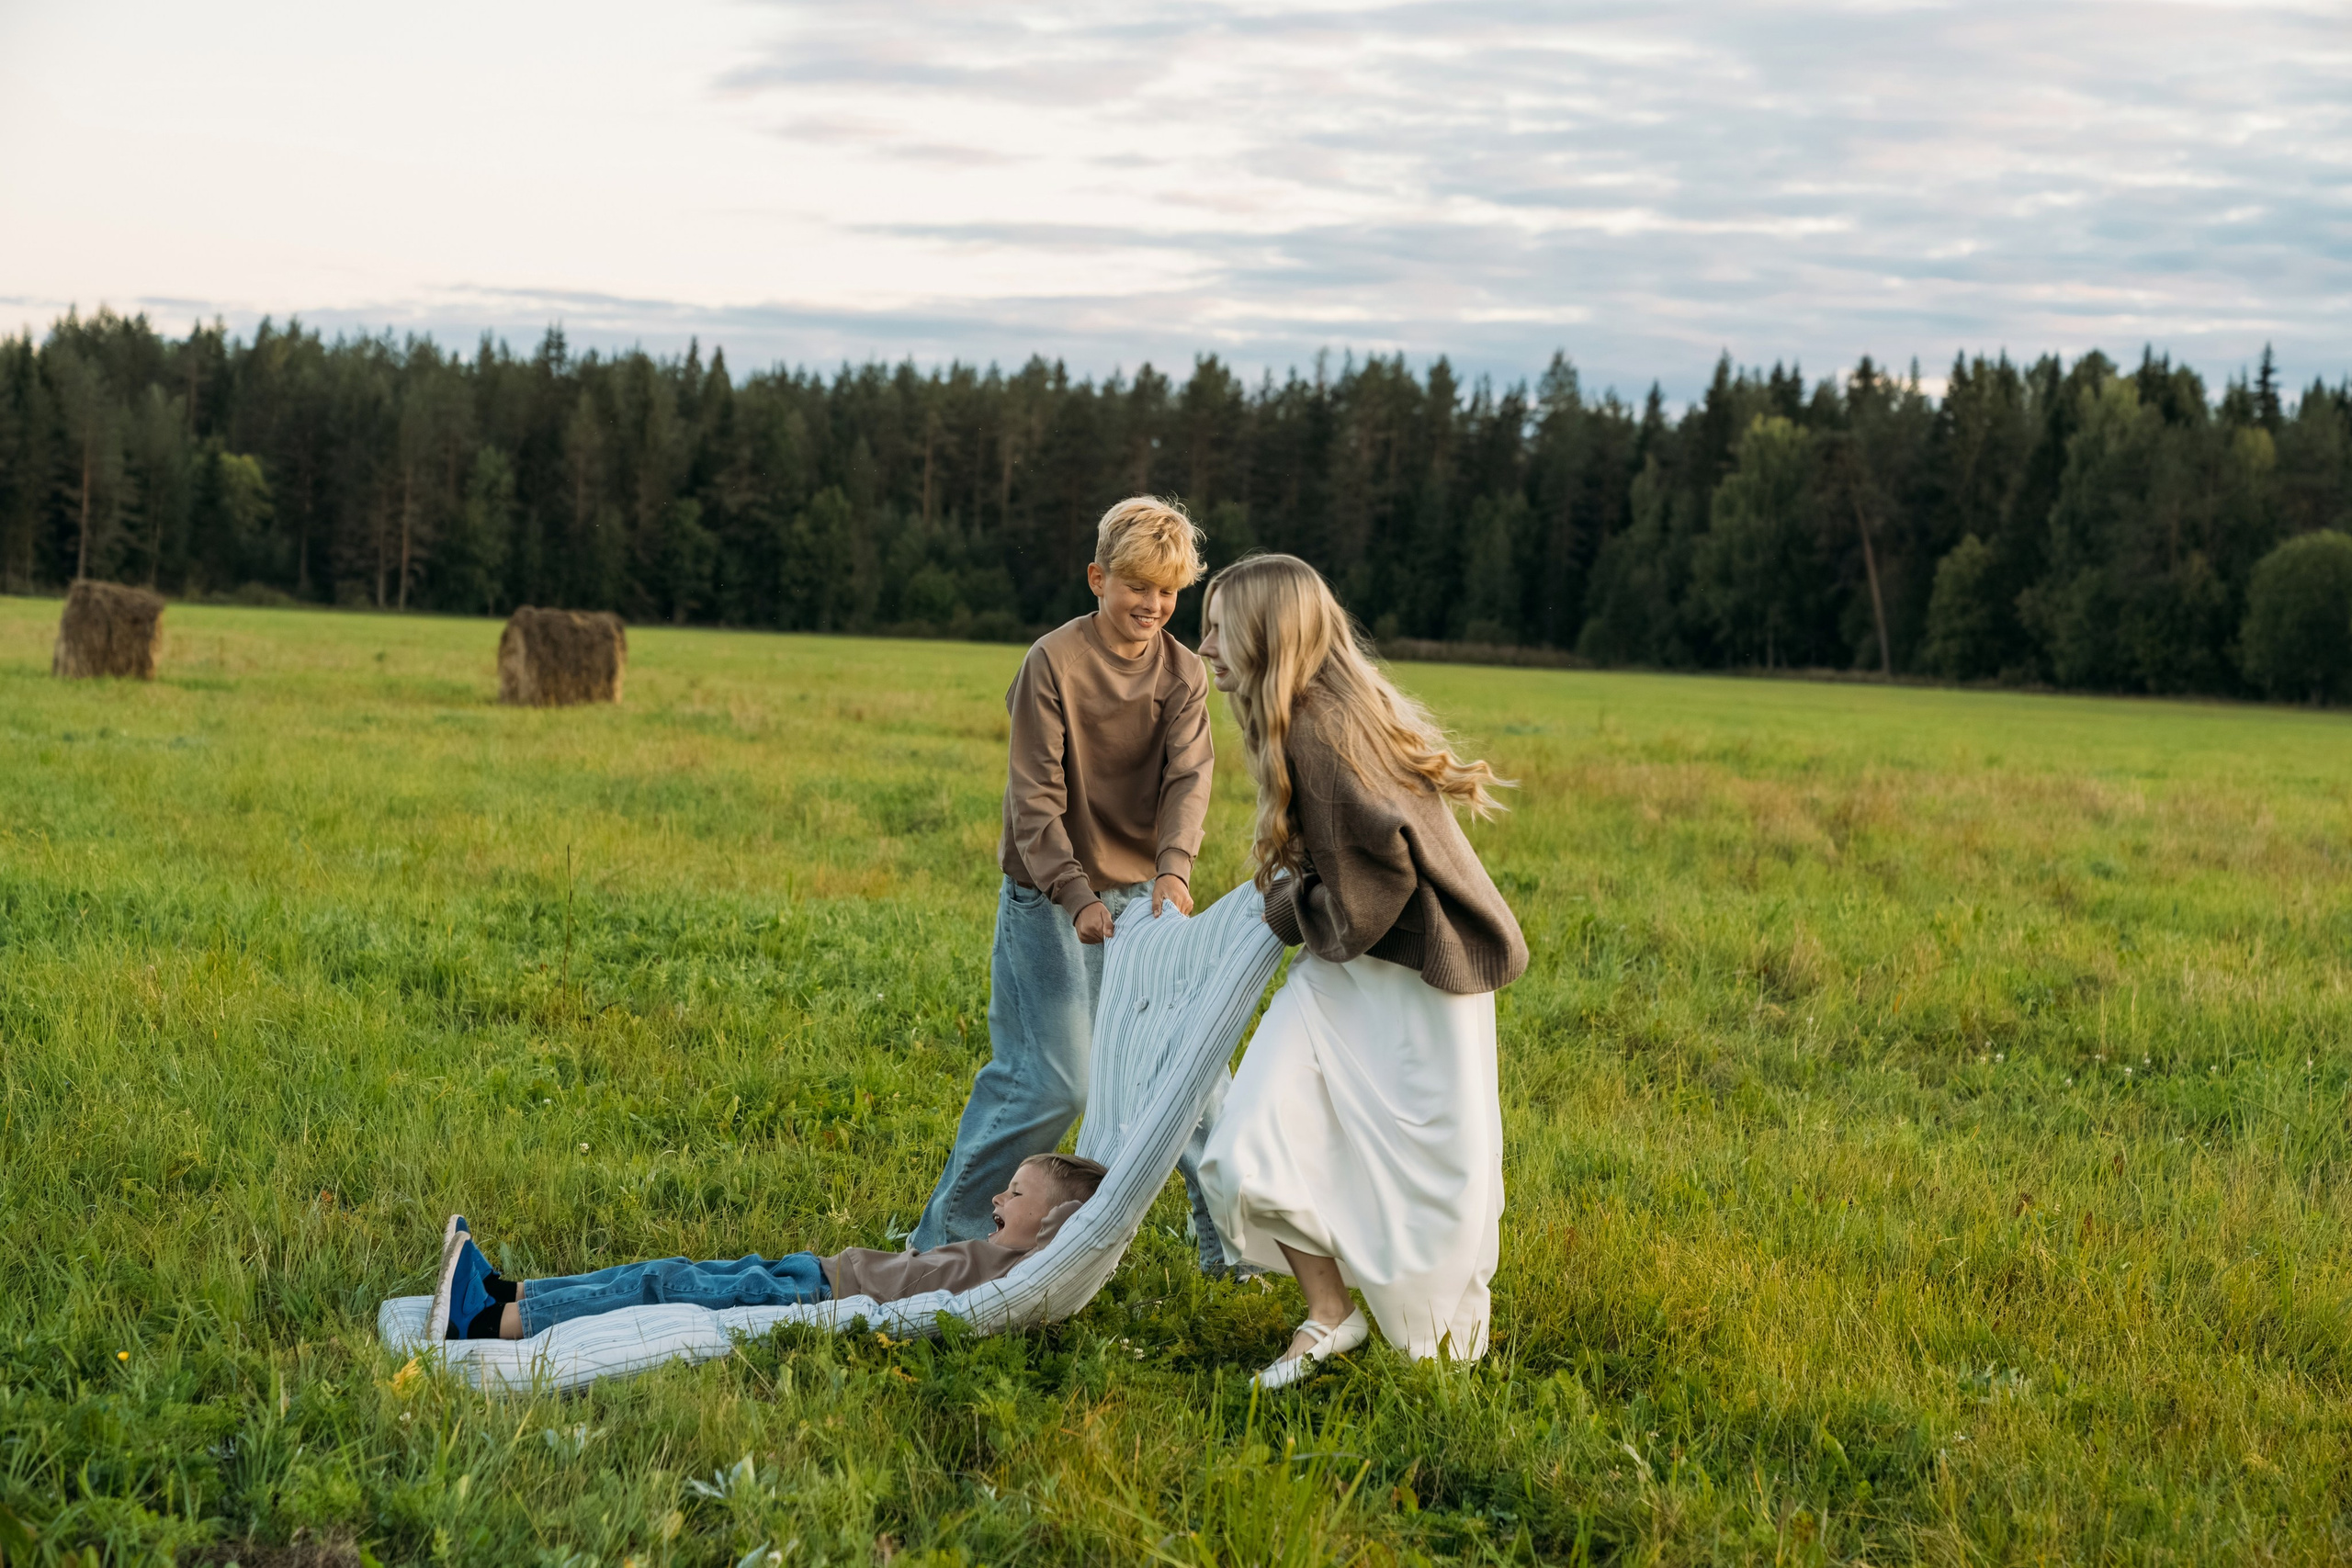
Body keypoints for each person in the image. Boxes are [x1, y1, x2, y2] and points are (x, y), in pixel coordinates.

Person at [1192, 553, 1528, 1389]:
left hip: (1413, 980)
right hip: (1348, 968)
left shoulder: (1321, 729)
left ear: (1269, 635)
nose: (1202, 646)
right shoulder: (1307, 713)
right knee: (1245, 1138)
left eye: (1218, 627)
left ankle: (1416, 1334)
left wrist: (1279, 902)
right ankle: (1330, 1314)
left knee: (1428, 1174)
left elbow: (1372, 893)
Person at [909, 497, 1227, 1270]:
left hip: (1144, 901)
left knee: (1191, 1074)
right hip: (1049, 901)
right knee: (1051, 1084)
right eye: (1137, 587)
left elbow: (1190, 778)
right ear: (1098, 578)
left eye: (1168, 592)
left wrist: (1174, 870)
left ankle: (1228, 1249)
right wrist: (1075, 892)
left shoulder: (1184, 675)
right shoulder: (1052, 663)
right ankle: (939, 1242)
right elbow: (1034, 798)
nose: (1152, 605)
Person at [428, 1153, 1108, 1340]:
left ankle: (485, 1324)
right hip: (812, 1271)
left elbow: (1085, 1224)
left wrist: (1072, 1207)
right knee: (665, 1270)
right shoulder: (1009, 1253)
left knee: (663, 1287)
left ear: (1053, 1223)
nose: (997, 1199)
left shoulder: (1028, 1267)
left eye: (1016, 1194)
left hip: (807, 1295)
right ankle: (509, 1291)